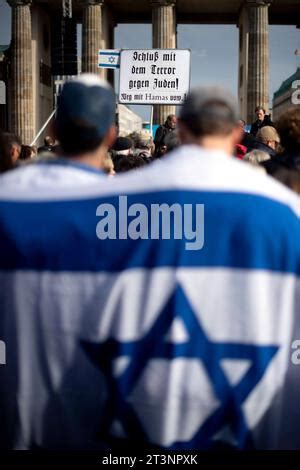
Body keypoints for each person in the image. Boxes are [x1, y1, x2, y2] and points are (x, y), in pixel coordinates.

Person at [0, 81, 299, 451]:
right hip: (249, 421)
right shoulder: (285, 210)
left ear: (181, 128)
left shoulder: (119, 201)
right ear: (238, 131)